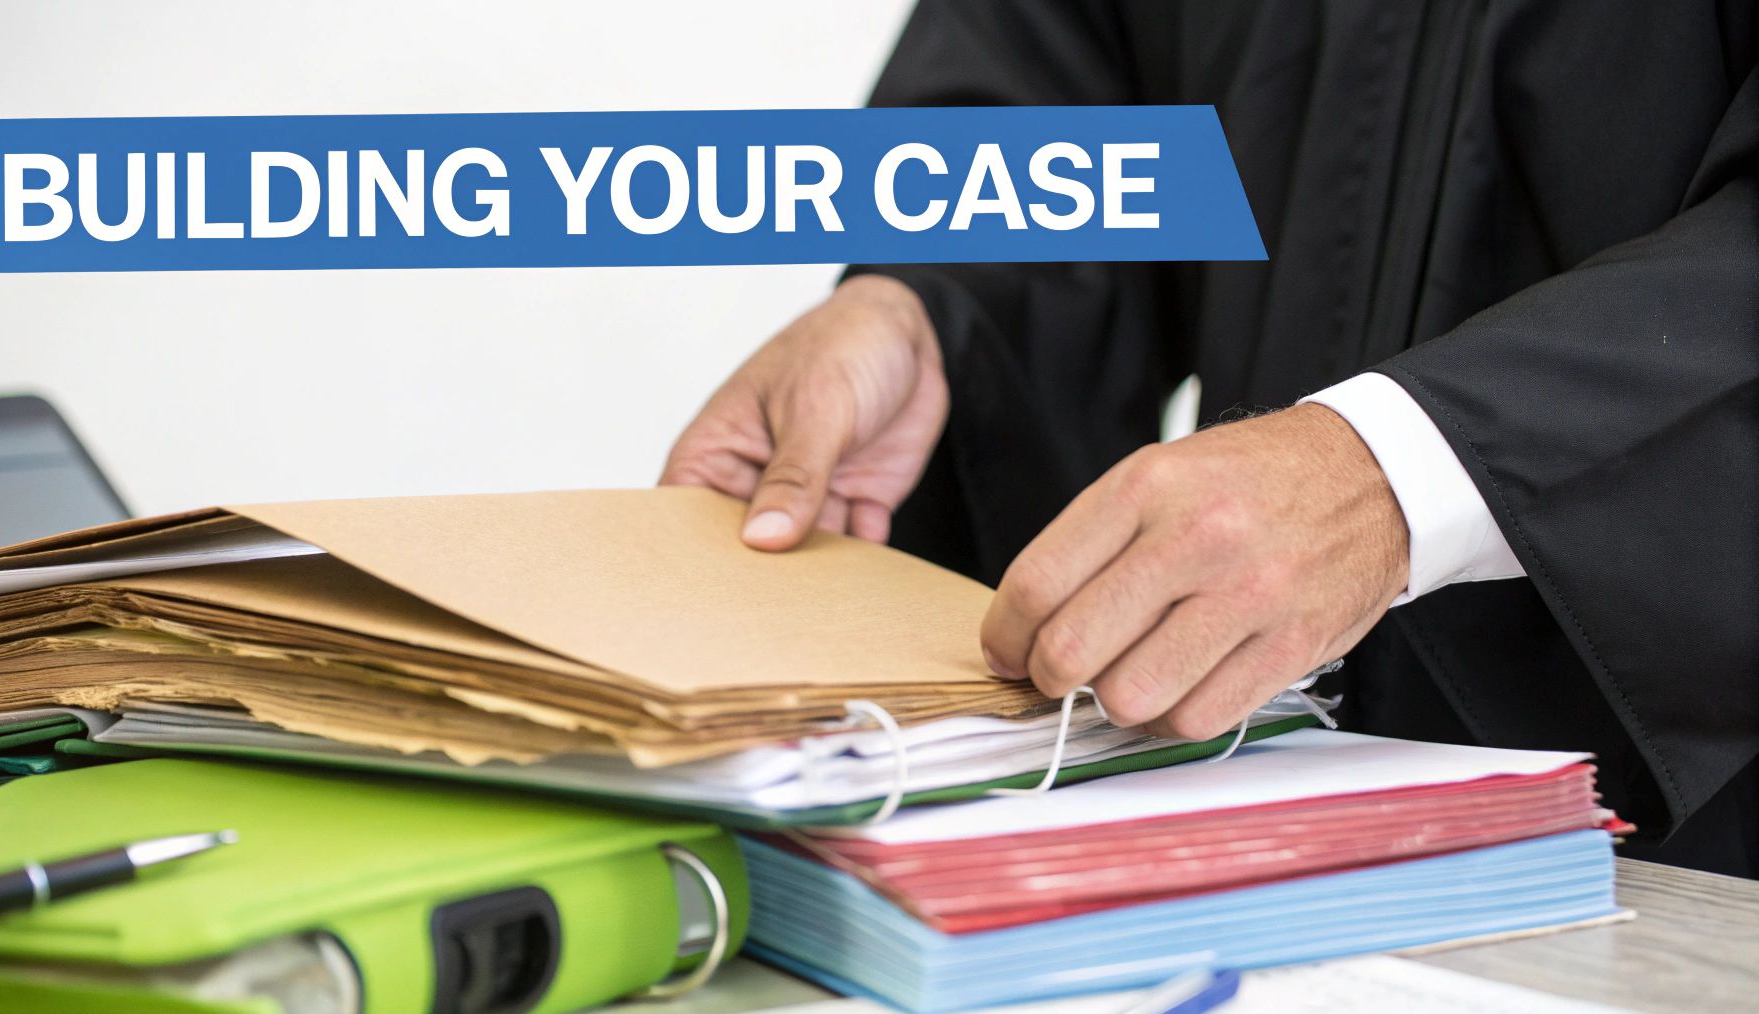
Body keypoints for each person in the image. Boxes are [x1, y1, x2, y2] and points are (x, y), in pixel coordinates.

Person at [661, 2, 1758, 877]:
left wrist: (1404, 469)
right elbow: (1064, 87)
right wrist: (929, 306)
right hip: (1232, 797)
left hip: (1688, 849)